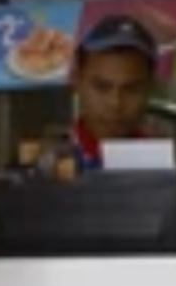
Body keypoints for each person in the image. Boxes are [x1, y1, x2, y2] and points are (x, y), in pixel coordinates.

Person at [68, 13, 162, 170]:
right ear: (76, 80)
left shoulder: (161, 165)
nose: (115, 103)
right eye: (102, 87)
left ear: (149, 87)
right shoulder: (48, 162)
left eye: (131, 89)